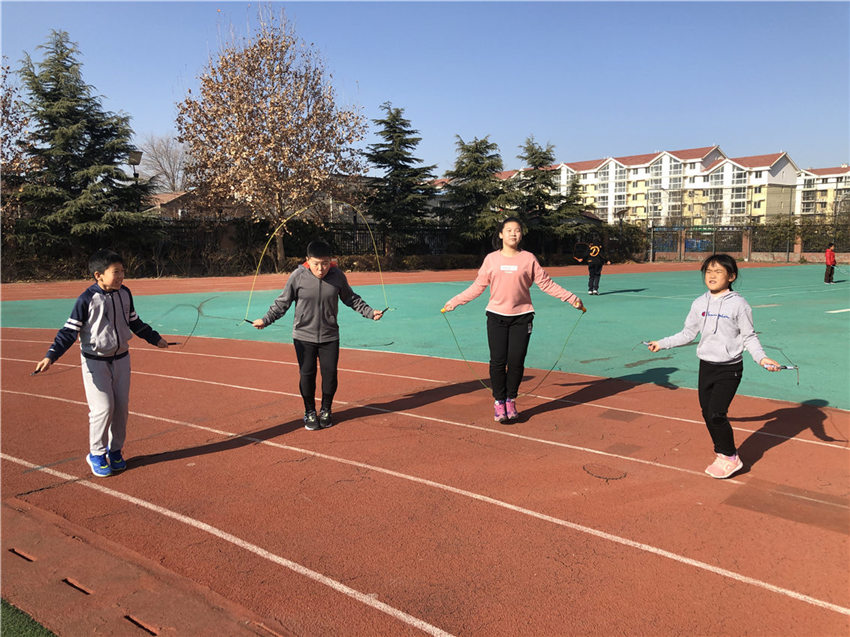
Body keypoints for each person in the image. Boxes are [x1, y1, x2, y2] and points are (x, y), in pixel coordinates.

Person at [34, 249, 168, 477]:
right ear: (98, 275)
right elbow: (69, 332)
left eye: (123, 271)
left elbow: (134, 322)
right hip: (95, 362)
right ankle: (96, 453)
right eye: (116, 272)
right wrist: (51, 355)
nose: (121, 276)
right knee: (103, 408)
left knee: (121, 409)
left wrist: (154, 338)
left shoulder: (125, 293)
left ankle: (115, 451)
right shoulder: (86, 299)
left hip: (122, 360)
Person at [645, 254, 780, 479]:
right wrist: (662, 343)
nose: (712, 276)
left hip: (729, 369)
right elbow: (688, 333)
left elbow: (749, 337)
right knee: (707, 413)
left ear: (731, 276)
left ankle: (730, 456)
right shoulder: (699, 303)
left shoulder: (739, 304)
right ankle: (722, 453)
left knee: (716, 414)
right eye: (708, 271)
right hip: (706, 367)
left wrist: (762, 358)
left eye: (718, 271)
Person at [442, 217, 584, 424]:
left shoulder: (528, 259)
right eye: (508, 230)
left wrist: (571, 298)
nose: (513, 234)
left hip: (522, 317)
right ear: (501, 234)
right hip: (496, 317)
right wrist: (455, 301)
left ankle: (511, 399)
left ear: (521, 235)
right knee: (498, 361)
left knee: (516, 361)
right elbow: (478, 286)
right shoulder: (491, 259)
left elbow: (546, 284)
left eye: (517, 230)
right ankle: (499, 401)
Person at [252, 240, 383, 430]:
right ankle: (310, 411)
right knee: (307, 374)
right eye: (316, 264)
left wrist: (369, 312)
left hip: (330, 336)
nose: (321, 269)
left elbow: (351, 298)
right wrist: (266, 319)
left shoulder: (337, 276)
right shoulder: (297, 276)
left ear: (331, 261)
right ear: (307, 260)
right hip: (303, 336)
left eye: (325, 263)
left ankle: (326, 410)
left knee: (330, 375)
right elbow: (282, 302)